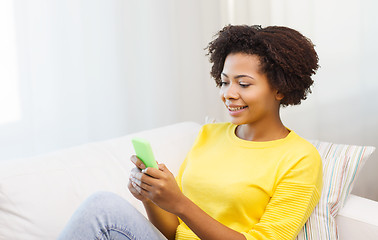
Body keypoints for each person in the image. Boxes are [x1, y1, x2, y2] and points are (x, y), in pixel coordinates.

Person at [58, 24, 322, 240]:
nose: (228, 94)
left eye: (243, 84)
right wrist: (151, 196)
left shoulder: (300, 158)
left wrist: (179, 203)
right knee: (101, 207)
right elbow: (175, 232)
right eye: (224, 81)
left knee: (102, 209)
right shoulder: (210, 135)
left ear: (281, 89)